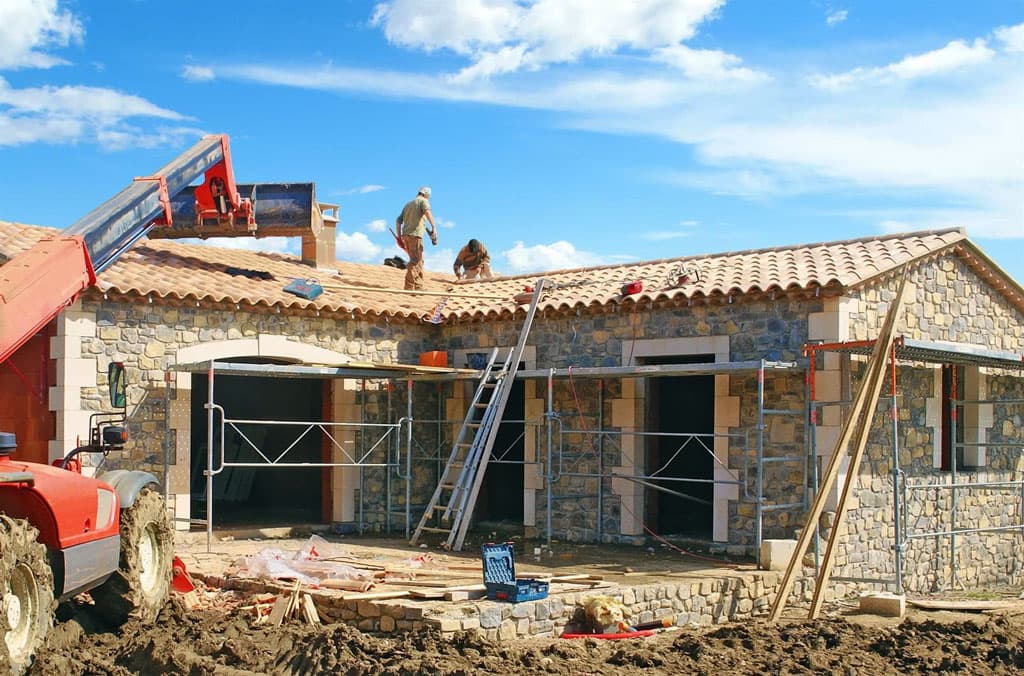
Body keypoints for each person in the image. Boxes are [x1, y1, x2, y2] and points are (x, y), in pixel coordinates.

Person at [396, 186, 437, 290]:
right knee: (415, 260)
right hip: (415, 235)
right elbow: (427, 212)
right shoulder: (423, 201)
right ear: (425, 194)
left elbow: (398, 221)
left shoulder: (408, 204)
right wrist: (434, 227)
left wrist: (399, 237)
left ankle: (418, 286)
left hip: (406, 235)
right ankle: (409, 286)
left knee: (419, 261)